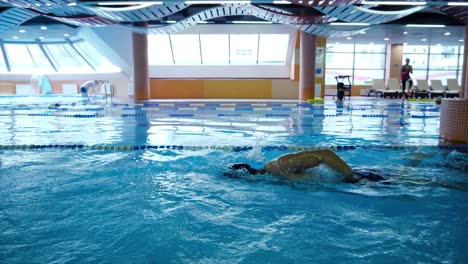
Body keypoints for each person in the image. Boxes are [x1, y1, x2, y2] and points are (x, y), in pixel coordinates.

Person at [224, 149, 386, 184]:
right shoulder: (273, 177)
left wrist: (351, 176)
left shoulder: (279, 166)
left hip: (360, 178)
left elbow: (324, 154)